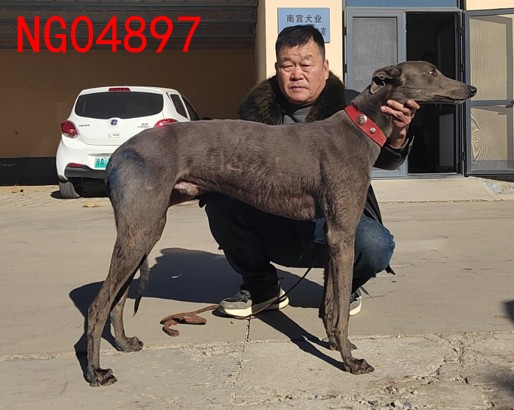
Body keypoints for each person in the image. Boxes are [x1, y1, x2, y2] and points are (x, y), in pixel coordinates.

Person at [205, 25, 419, 318]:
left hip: (330, 219)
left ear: (325, 68)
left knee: (375, 245)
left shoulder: (355, 107)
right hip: (273, 217)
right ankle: (261, 287)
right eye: (287, 66)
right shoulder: (253, 113)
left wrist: (398, 132)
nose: (297, 74)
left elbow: (389, 160)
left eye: (306, 64)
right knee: (221, 198)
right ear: (277, 69)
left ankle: (344, 287)